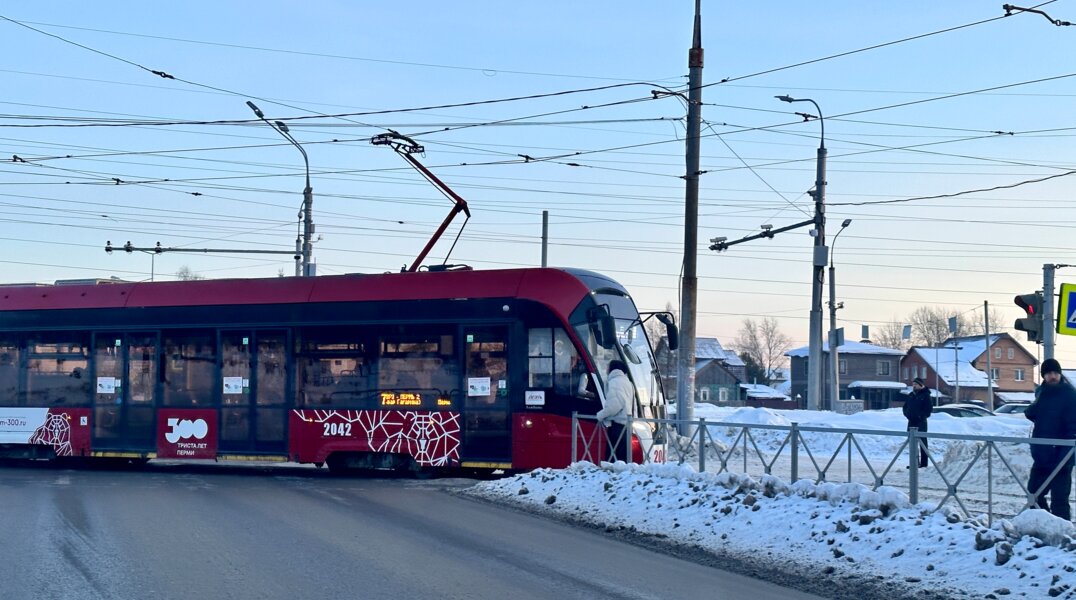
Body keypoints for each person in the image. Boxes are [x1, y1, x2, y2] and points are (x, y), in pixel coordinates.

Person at [1025, 358, 1076, 520]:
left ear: (1060, 375)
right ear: (1043, 376)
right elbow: (1035, 414)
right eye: (1048, 373)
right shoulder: (1042, 393)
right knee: (1034, 495)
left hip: (1062, 456)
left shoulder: (1069, 395)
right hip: (1042, 455)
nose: (1052, 376)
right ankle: (1045, 525)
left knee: (1059, 500)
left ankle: (1063, 536)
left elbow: (1073, 427)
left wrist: (1065, 455)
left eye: (1055, 373)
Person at [597, 359, 633, 462]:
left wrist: (601, 415)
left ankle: (612, 477)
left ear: (613, 369)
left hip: (617, 424)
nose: (606, 369)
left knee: (613, 459)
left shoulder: (614, 382)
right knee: (623, 458)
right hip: (626, 423)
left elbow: (615, 405)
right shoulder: (627, 382)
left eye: (608, 367)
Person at [903, 377, 933, 468]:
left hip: (921, 422)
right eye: (913, 384)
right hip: (911, 421)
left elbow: (928, 409)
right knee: (912, 443)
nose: (914, 386)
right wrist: (907, 414)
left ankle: (924, 464)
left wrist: (921, 416)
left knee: (922, 443)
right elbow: (905, 407)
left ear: (920, 385)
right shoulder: (911, 395)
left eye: (915, 384)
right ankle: (914, 463)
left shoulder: (925, 395)